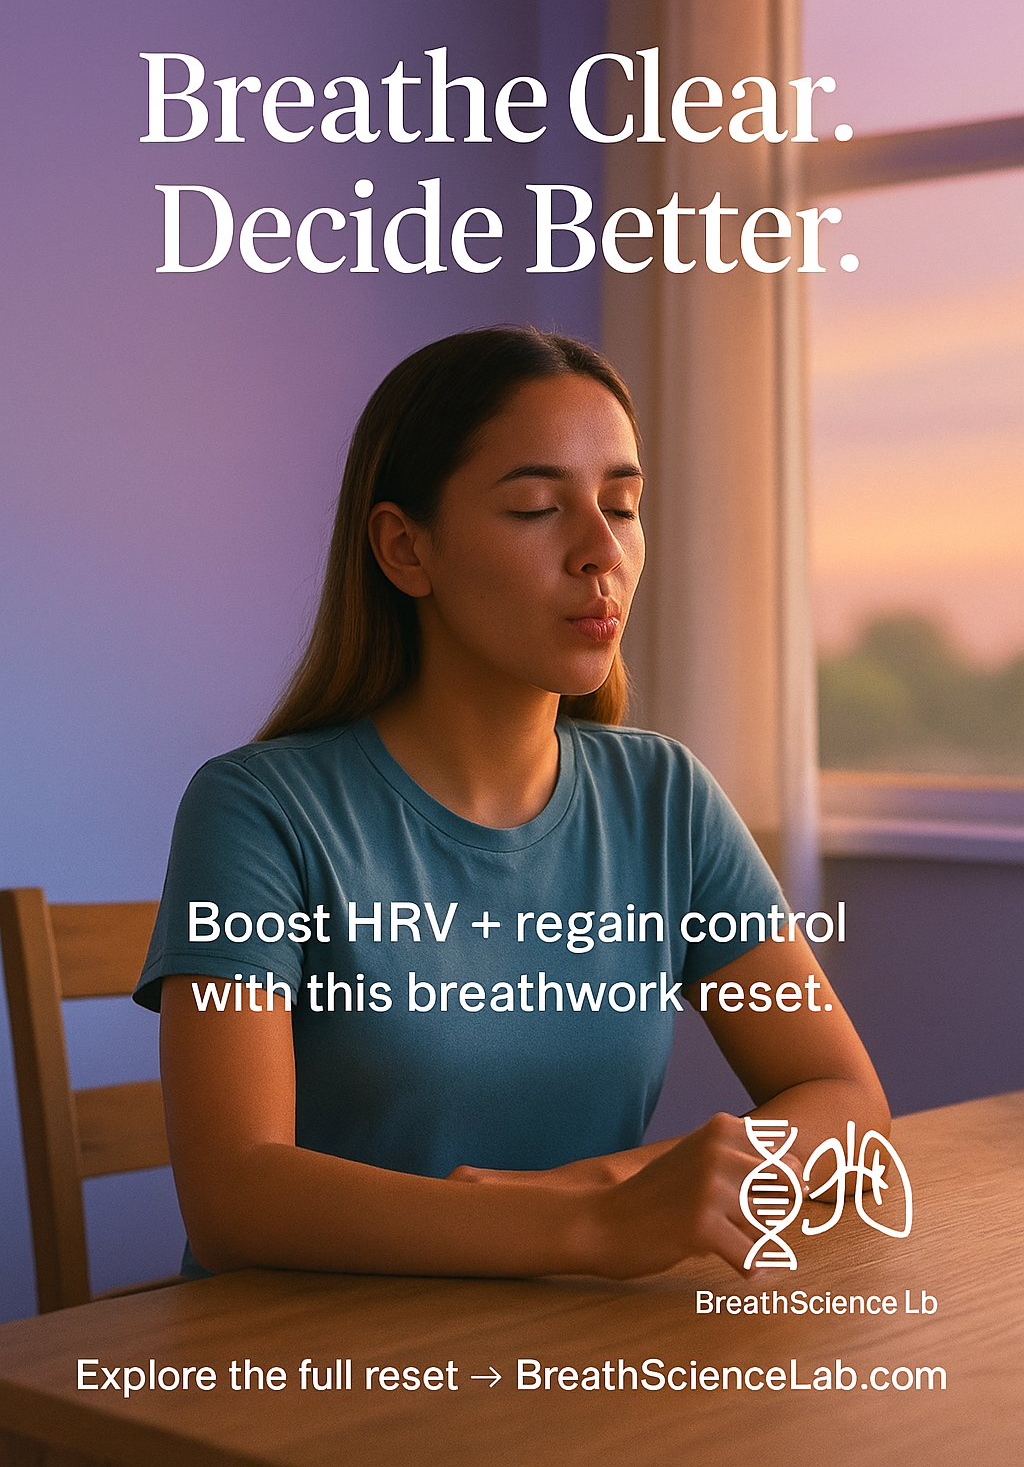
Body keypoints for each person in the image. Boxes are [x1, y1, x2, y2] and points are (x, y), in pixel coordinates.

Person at [135, 326, 888, 1283]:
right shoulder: (257, 810)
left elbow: (844, 1098)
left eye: (622, 505)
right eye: (536, 508)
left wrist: (615, 1187)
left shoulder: (665, 798)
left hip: (552, 1351)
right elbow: (236, 1193)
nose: (599, 551)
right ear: (408, 549)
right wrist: (597, 1228)